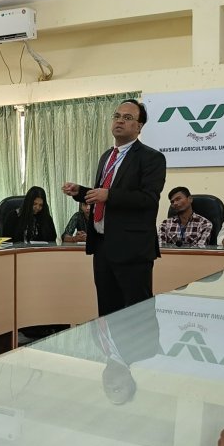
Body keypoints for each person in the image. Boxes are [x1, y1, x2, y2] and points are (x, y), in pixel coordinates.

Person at [62, 99, 166, 316]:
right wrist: (80, 192)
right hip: (102, 246)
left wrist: (109, 195)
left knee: (138, 314)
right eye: (117, 116)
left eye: (127, 118)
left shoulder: (151, 158)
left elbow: (148, 199)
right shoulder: (107, 156)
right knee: (108, 311)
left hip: (132, 249)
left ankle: (142, 352)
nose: (120, 121)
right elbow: (103, 194)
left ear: (139, 126)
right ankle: (109, 351)